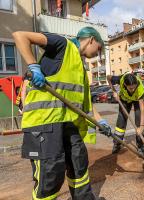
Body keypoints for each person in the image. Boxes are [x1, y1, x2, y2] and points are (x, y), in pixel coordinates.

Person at [13, 27, 111, 200]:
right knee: (51, 174)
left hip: (68, 124)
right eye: (99, 49)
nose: (98, 54)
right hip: (44, 124)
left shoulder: (79, 65)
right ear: (91, 40)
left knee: (79, 164)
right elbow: (20, 36)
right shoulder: (62, 45)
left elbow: (84, 104)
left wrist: (101, 122)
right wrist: (34, 66)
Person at [107, 73, 144, 155]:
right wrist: (114, 91)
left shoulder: (139, 88)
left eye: (134, 87)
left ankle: (141, 146)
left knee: (139, 122)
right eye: (130, 88)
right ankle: (117, 144)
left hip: (137, 100)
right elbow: (108, 77)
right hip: (125, 100)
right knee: (121, 121)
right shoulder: (120, 79)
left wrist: (141, 126)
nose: (133, 90)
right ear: (125, 84)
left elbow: (142, 109)